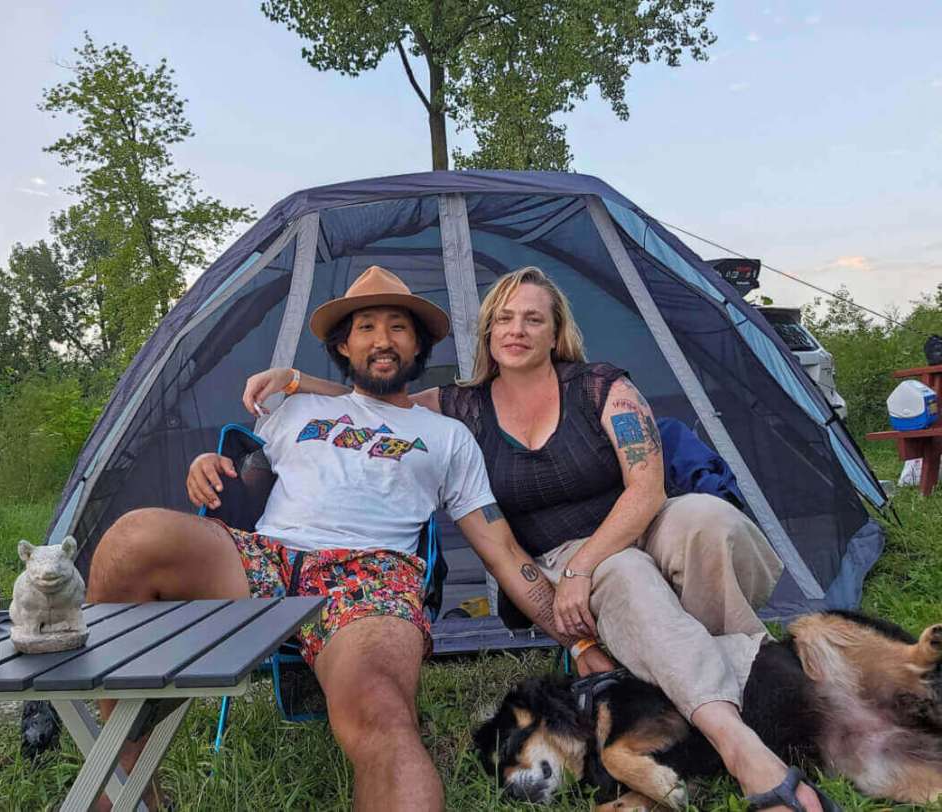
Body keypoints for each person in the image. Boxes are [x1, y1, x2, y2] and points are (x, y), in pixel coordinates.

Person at [244, 266, 829, 812]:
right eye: (503, 318)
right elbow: (374, 400)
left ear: (557, 333)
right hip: (567, 552)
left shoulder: (602, 386)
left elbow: (647, 489)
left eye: (532, 318)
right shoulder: (461, 406)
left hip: (636, 526)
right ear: (488, 333)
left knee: (709, 518)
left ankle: (715, 686)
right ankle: (741, 726)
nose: (516, 329)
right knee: (625, 573)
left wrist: (583, 570)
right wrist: (295, 381)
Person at [87, 265, 610, 812]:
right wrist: (210, 463)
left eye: (398, 327)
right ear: (343, 343)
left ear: (420, 344)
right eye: (366, 327)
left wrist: (577, 640)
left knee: (383, 717)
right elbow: (250, 479)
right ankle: (128, 780)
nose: (382, 340)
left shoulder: (448, 436)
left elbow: (501, 551)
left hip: (370, 577)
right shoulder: (296, 408)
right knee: (131, 538)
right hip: (267, 558)